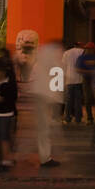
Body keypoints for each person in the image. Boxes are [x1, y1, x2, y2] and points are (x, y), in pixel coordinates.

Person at [31, 37, 66, 168]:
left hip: (40, 94)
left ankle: (45, 155)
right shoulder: (54, 55)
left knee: (43, 128)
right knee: (45, 128)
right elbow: (57, 75)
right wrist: (58, 99)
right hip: (47, 96)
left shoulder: (42, 53)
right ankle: (45, 157)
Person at [77, 42, 95, 126]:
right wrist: (90, 72)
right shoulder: (82, 58)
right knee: (87, 99)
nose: (90, 50)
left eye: (91, 49)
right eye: (88, 49)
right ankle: (90, 118)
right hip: (86, 80)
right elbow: (78, 69)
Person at [62, 41, 84, 124]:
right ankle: (78, 118)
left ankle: (67, 118)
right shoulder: (82, 51)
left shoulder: (66, 53)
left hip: (69, 79)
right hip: (79, 79)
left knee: (68, 100)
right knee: (78, 100)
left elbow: (63, 65)